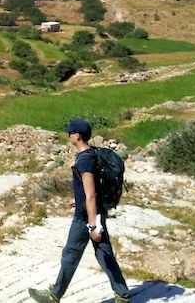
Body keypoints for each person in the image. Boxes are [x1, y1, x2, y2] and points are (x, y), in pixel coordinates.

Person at [28, 119, 132, 303]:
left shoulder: (84, 160)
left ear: (77, 136)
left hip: (86, 217)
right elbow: (93, 188)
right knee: (104, 254)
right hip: (96, 211)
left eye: (70, 133)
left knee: (70, 254)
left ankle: (54, 295)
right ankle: (123, 295)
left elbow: (91, 195)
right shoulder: (94, 153)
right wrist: (78, 199)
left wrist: (92, 225)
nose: (68, 136)